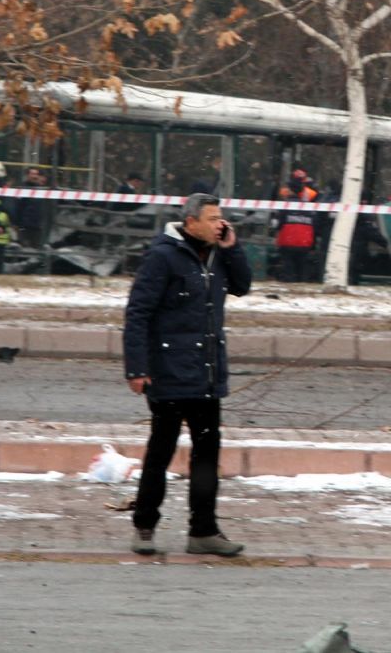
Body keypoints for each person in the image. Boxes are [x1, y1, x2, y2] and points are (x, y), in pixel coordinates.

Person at [122, 193, 251, 558]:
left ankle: (203, 530)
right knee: (160, 452)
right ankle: (145, 526)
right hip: (167, 374)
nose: (219, 224)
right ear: (190, 222)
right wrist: (137, 368)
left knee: (207, 456)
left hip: (207, 374)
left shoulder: (218, 254)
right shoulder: (162, 256)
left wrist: (232, 248)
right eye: (212, 219)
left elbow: (242, 285)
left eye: (221, 218)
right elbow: (138, 314)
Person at [272, 168, 319, 282]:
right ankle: (301, 282)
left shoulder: (286, 203)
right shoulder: (310, 202)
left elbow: (279, 224)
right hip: (305, 241)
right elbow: (315, 224)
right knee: (302, 267)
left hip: (288, 241)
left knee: (289, 267)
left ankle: (290, 281)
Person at [13, 166, 53, 251]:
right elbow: (18, 207)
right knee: (24, 250)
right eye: (32, 173)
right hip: (24, 226)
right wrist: (16, 223)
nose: (34, 176)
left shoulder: (41, 189)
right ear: (27, 175)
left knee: (36, 250)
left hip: (37, 226)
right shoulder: (22, 188)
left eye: (36, 174)